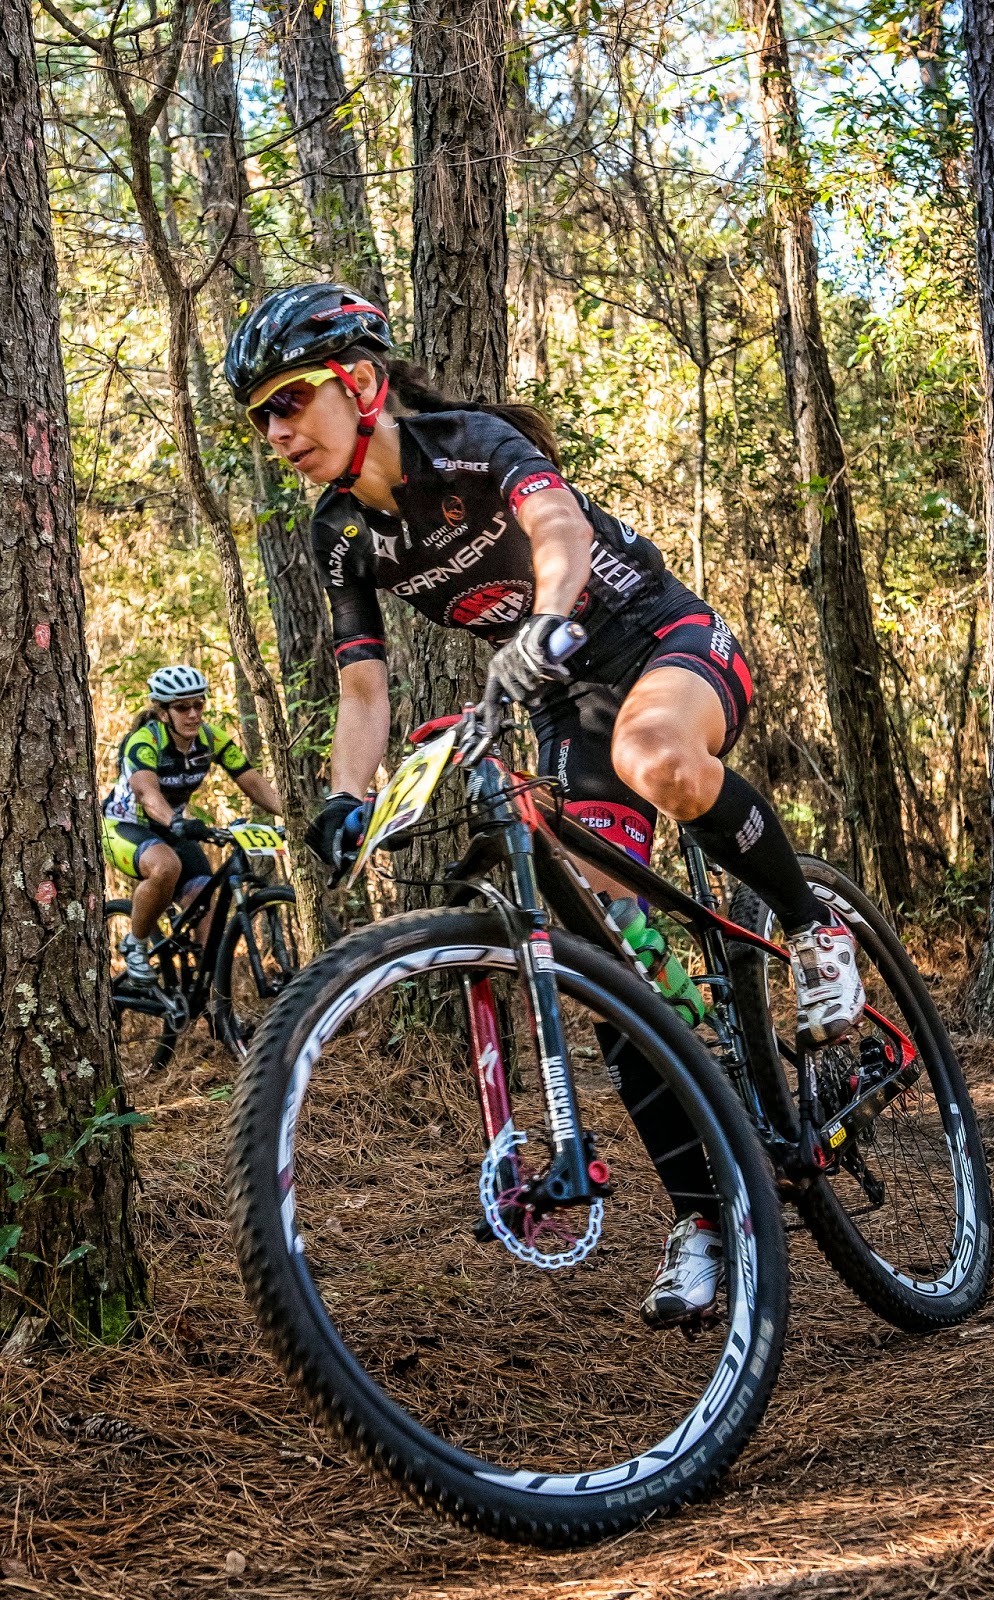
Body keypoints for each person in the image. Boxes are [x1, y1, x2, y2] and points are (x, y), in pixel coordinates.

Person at [224, 284, 866, 1327]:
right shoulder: (340, 532)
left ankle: (812, 923)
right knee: (607, 953)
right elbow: (362, 690)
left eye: (290, 401)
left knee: (657, 756)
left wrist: (550, 615)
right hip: (566, 702)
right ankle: (705, 1217)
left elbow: (557, 527)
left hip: (661, 640)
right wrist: (346, 796)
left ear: (363, 382)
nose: (277, 432)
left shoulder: (468, 446)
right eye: (260, 417)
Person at [102, 666, 282, 985]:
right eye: (182, 707)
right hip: (124, 826)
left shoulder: (210, 739)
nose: (193, 714)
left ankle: (206, 991)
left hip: (172, 829)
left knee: (204, 900)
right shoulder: (144, 742)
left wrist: (291, 817)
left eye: (199, 704)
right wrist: (177, 821)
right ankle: (135, 942)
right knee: (166, 865)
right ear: (163, 712)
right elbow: (146, 794)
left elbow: (253, 782)